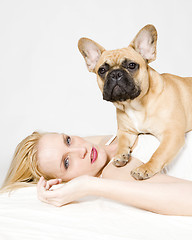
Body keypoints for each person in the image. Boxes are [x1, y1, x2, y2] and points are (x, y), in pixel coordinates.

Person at [1, 131, 192, 216]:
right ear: (61, 181)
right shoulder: (115, 172)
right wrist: (88, 184)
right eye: (67, 162)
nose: (80, 150)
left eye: (67, 140)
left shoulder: (103, 144)